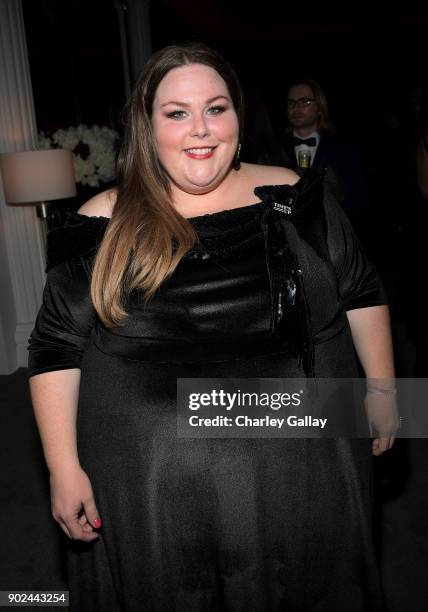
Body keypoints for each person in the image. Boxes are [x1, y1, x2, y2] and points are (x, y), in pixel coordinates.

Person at [27, 42, 397, 611]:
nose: (200, 129)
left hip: (306, 467)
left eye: (216, 108)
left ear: (238, 118)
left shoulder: (300, 197)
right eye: (176, 113)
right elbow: (55, 345)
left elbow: (361, 288)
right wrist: (63, 467)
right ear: (147, 128)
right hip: (159, 492)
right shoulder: (101, 221)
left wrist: (383, 389)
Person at [281, 77, 372, 242]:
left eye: (304, 101)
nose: (296, 107)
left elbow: (361, 202)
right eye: (291, 103)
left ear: (320, 108)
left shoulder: (344, 150)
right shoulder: (276, 150)